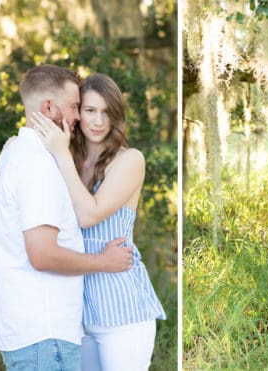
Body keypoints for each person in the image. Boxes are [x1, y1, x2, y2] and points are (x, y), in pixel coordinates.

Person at [0, 64, 133, 371]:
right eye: (75, 107)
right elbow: (42, 254)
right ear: (49, 108)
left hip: (33, 334)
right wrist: (103, 263)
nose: (79, 117)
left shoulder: (17, 153)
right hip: (44, 335)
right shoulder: (36, 164)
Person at [31, 72, 167, 371]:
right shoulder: (71, 162)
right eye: (90, 110)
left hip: (121, 310)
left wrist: (60, 154)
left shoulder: (130, 160)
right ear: (77, 112)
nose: (98, 121)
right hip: (76, 310)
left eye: (107, 112)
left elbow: (88, 215)